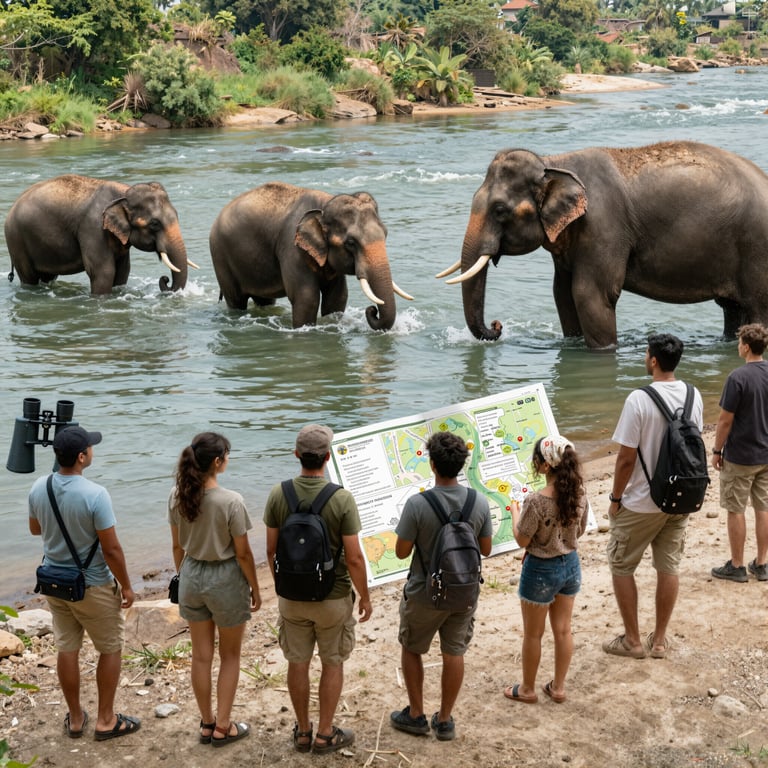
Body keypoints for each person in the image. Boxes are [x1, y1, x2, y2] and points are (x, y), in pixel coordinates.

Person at [264, 424, 372, 755]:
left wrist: (283, 585)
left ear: (296, 454)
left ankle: (303, 731)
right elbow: (353, 557)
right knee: (332, 662)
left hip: (292, 598)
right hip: (333, 596)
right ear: (328, 457)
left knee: (297, 663)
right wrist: (365, 595)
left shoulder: (278, 494)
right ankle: (325, 733)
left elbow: (270, 550)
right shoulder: (341, 498)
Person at [28, 425, 141, 741]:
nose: (93, 450)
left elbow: (35, 529)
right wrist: (127, 586)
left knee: (67, 648)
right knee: (110, 648)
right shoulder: (96, 494)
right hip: (92, 585)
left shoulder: (39, 487)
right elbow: (111, 549)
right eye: (90, 447)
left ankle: (76, 718)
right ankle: (106, 720)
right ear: (81, 457)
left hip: (54, 582)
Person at [603, 333, 703, 660]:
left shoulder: (638, 399)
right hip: (682, 496)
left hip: (642, 503)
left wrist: (616, 498)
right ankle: (659, 641)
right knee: (668, 566)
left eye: (646, 353)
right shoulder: (694, 395)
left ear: (654, 360)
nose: (645, 357)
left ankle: (632, 641)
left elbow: (626, 459)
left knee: (621, 564)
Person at [390, 431, 492, 742]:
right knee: (454, 651)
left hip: (424, 592)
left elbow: (401, 552)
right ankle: (445, 720)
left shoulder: (417, 504)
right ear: (462, 465)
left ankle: (417, 714)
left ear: (432, 464)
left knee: (411, 647)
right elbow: (485, 549)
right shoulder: (479, 502)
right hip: (464, 592)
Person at [168, 432, 261, 747]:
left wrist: (184, 576)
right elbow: (244, 554)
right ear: (218, 462)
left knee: (201, 657)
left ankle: (206, 723)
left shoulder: (176, 496)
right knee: (230, 655)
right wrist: (255, 588)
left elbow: (177, 547)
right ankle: (224, 726)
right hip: (225, 578)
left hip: (191, 574)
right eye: (227, 455)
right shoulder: (231, 501)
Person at [504, 435, 588, 705]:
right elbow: (582, 529)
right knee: (563, 630)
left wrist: (514, 511)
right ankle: (559, 687)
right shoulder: (580, 494)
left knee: (533, 634)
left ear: (544, 467)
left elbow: (522, 540)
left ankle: (527, 689)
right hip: (571, 566)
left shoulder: (536, 502)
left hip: (541, 570)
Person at [711, 323, 768, 583]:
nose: (738, 347)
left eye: (739, 343)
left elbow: (725, 420)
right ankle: (762, 563)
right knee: (763, 507)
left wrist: (716, 450)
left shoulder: (737, 378)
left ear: (745, 347)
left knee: (735, 509)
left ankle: (736, 565)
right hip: (766, 454)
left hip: (741, 455)